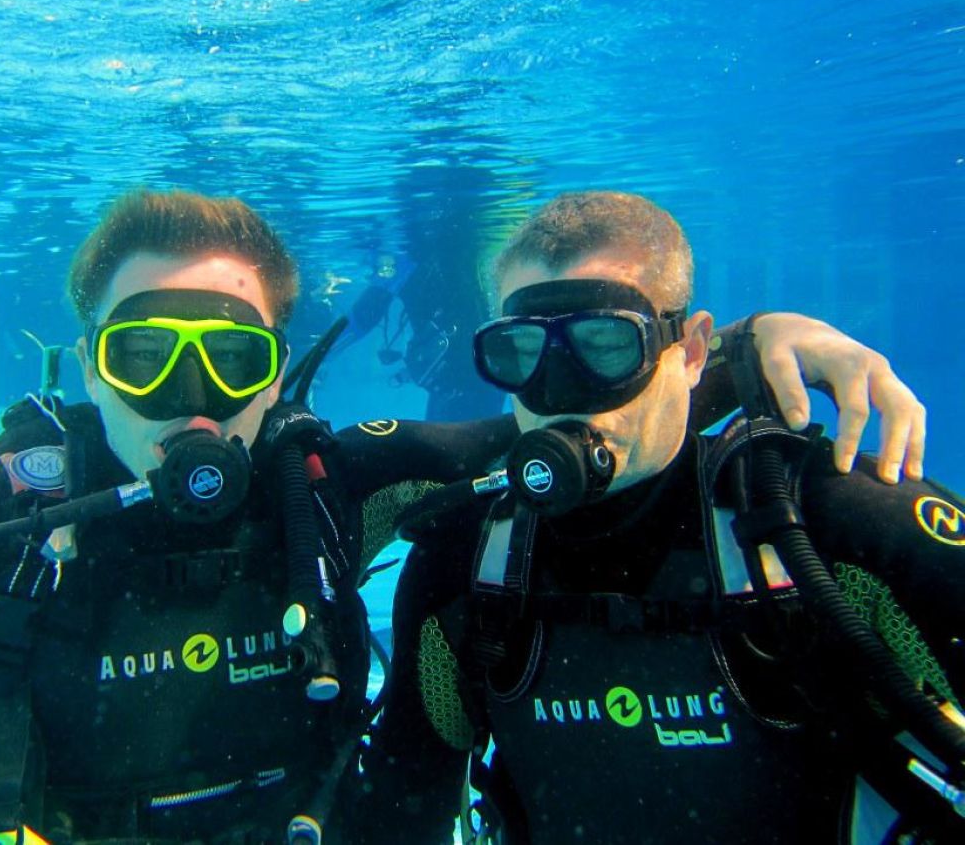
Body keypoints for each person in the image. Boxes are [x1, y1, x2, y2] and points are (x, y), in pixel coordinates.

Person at [0, 188, 931, 845]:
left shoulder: (330, 489)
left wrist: (745, 349)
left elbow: (570, 425)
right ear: (86, 360)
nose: (189, 403)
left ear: (277, 371)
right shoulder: (0, 526)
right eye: (142, 357)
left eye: (231, 359)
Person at [358, 191, 962, 845]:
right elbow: (402, 809)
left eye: (606, 345)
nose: (560, 394)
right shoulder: (463, 564)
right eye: (521, 351)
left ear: (694, 352)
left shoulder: (832, 526)